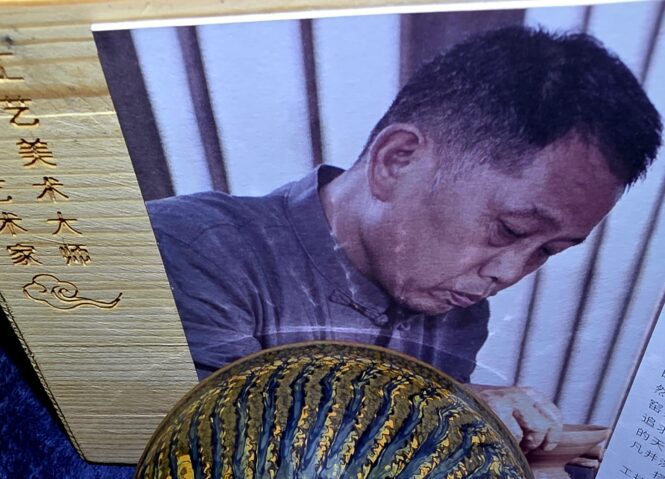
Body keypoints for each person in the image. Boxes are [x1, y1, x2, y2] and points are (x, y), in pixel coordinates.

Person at [147, 25, 662, 453]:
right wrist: (440, 409)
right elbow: (211, 456)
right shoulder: (192, 247)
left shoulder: (460, 313)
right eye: (510, 229)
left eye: (548, 251)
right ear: (397, 161)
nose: (508, 274)